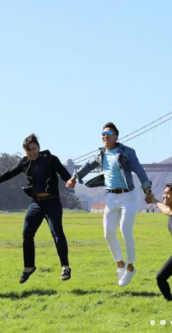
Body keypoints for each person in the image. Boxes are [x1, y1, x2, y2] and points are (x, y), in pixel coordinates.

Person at [66, 122, 153, 287]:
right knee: (108, 233)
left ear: (116, 136)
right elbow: (87, 166)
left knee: (125, 231)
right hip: (111, 198)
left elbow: (139, 170)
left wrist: (147, 190)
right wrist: (74, 178)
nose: (105, 136)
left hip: (128, 196)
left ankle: (130, 267)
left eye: (109, 133)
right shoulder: (101, 155)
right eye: (103, 133)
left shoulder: (127, 152)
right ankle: (119, 264)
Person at [0, 134, 74, 283]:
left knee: (57, 233)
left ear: (38, 148)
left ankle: (65, 267)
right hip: (36, 203)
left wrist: (70, 181)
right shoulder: (25, 162)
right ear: (25, 151)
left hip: (52, 202)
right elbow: (9, 173)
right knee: (27, 234)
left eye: (34, 149)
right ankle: (29, 267)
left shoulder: (50, 159)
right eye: (28, 150)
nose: (32, 152)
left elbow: (65, 175)